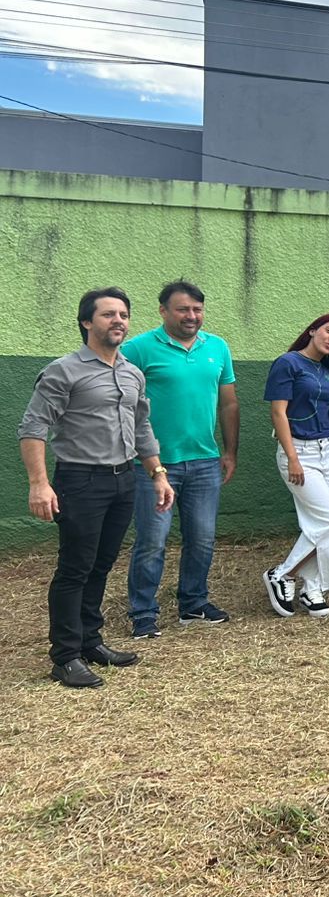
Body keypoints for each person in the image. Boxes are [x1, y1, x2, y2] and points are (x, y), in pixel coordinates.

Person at [19, 288, 173, 688]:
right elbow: (33, 427)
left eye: (123, 314)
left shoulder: (132, 373)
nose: (118, 320)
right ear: (87, 322)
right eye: (108, 314)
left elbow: (141, 426)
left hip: (124, 480)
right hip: (80, 480)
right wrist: (39, 484)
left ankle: (90, 642)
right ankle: (65, 656)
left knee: (101, 565)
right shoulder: (63, 371)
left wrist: (157, 473)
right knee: (75, 568)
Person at [121, 280, 238, 635]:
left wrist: (230, 451)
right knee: (152, 541)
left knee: (202, 538)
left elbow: (228, 404)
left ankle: (193, 603)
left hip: (204, 461)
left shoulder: (217, 347)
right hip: (154, 465)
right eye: (183, 309)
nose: (191, 316)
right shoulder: (138, 348)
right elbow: (122, 404)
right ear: (163, 311)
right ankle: (143, 612)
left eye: (197, 310)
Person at [263, 313, 329, 620]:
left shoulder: (328, 370)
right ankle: (282, 574)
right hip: (299, 451)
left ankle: (311, 588)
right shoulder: (288, 363)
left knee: (319, 523)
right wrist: (293, 458)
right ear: (313, 330)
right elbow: (278, 413)